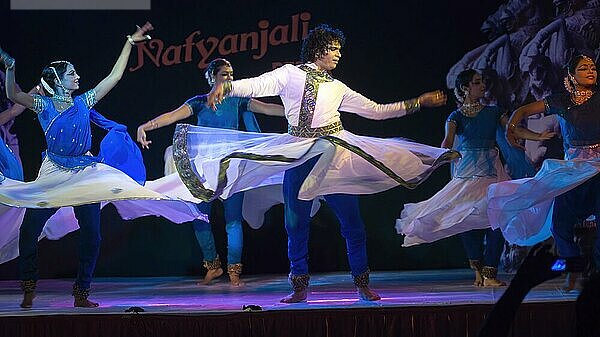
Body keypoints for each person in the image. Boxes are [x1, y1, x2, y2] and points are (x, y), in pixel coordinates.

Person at [176, 24, 456, 303]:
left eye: (339, 50)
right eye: (333, 49)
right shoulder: (289, 74)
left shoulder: (337, 87)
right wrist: (228, 86)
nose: (338, 55)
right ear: (318, 49)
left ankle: (362, 283)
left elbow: (376, 111)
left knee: (352, 224)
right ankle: (299, 286)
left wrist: (416, 102)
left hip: (334, 156)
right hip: (299, 153)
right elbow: (257, 84)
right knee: (295, 224)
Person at [0, 23, 206, 308]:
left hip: (85, 173)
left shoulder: (84, 103)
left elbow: (115, 75)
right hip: (53, 172)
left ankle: (82, 291)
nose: (78, 76)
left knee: (92, 235)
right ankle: (29, 285)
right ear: (58, 80)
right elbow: (13, 95)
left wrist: (129, 43)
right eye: (72, 73)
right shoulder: (42, 105)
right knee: (29, 230)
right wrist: (10, 67)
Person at [396, 69, 552, 287]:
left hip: (492, 173)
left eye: (481, 82)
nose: (482, 86)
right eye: (477, 83)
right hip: (467, 173)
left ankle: (490, 272)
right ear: (465, 88)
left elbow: (512, 130)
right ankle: (478, 269)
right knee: (464, 219)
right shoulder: (455, 117)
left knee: (498, 220)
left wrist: (538, 136)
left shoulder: (493, 112)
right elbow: (447, 142)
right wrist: (435, 157)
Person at [137, 58, 284, 286]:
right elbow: (171, 116)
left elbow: (267, 108)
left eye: (231, 74)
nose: (229, 78)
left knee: (233, 220)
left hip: (232, 167)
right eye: (224, 74)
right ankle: (213, 266)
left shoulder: (238, 100)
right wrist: (145, 126)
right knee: (200, 217)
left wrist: (296, 112)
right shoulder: (199, 102)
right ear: (212, 77)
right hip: (203, 169)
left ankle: (234, 270)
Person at [488, 54, 600, 291]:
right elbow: (523, 111)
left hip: (599, 171)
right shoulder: (561, 101)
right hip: (572, 173)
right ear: (571, 75)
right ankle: (573, 269)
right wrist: (511, 128)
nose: (591, 71)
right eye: (583, 68)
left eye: (593, 67)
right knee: (560, 225)